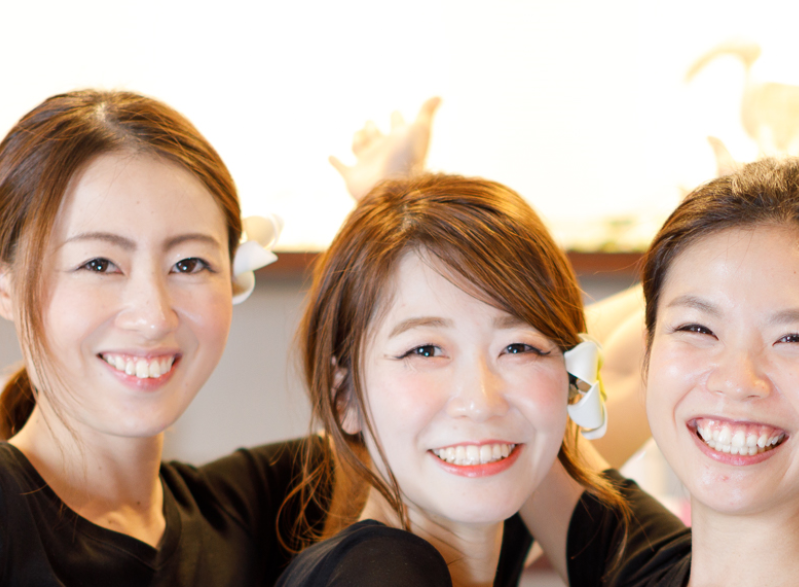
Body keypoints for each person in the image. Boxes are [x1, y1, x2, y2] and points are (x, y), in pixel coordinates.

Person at [0, 90, 356, 587]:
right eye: (99, 263)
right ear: (1, 283)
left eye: (189, 263)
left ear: (233, 276)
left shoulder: (262, 506)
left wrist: (386, 202)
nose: (153, 316)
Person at [276, 172, 644, 587]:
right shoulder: (380, 572)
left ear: (572, 375)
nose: (481, 401)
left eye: (518, 347)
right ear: (344, 395)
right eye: (425, 351)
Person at [570, 157, 799, 587]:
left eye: (794, 338)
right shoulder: (636, 569)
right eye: (698, 328)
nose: (737, 382)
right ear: (649, 352)